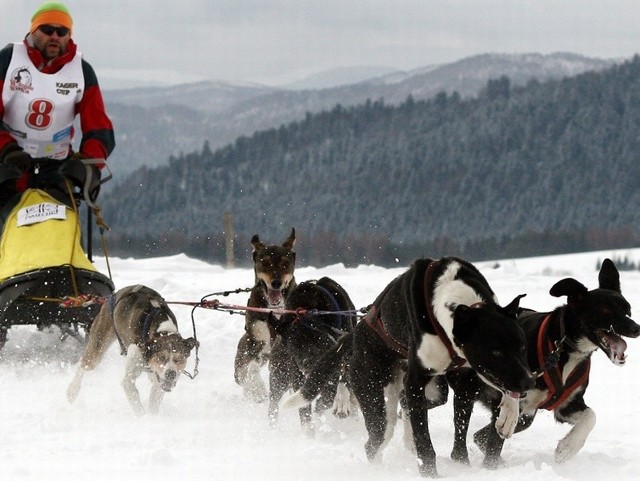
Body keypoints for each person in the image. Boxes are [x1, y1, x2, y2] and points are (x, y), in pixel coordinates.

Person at [0, 1, 115, 209]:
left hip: (57, 171)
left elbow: (100, 129)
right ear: (33, 31)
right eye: (47, 29)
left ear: (69, 36)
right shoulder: (7, 61)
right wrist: (6, 149)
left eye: (62, 31)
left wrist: (89, 165)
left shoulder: (82, 72)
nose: (55, 36)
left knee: (59, 234)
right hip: (8, 165)